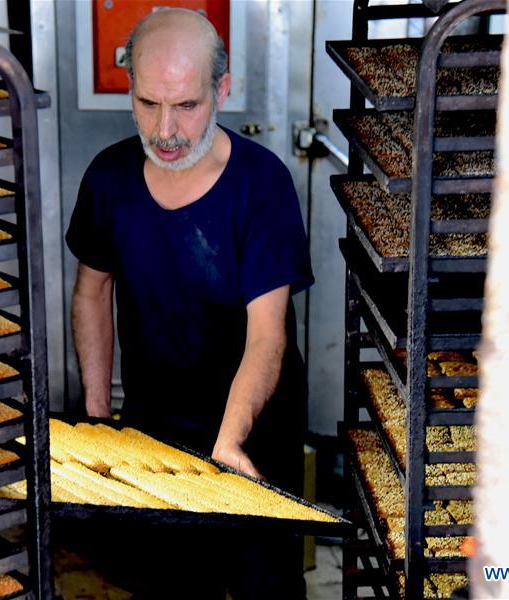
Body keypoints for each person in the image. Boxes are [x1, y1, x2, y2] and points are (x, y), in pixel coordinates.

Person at [65, 8, 313, 599]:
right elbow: (91, 293)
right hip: (156, 427)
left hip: (253, 431)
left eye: (186, 106)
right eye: (149, 104)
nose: (166, 130)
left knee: (263, 585)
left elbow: (267, 338)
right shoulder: (109, 179)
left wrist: (228, 444)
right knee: (171, 584)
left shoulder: (262, 185)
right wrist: (100, 420)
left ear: (221, 90)